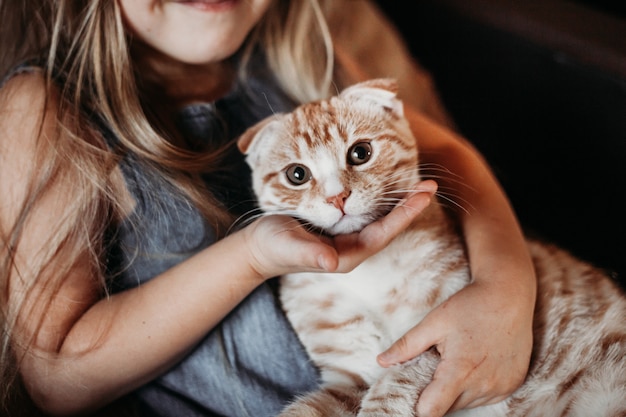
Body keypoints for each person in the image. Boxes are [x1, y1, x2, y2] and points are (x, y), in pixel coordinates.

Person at [0, 1, 537, 416]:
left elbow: (447, 150)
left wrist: (504, 286)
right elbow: (56, 375)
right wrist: (254, 255)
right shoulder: (46, 109)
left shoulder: (296, 55)